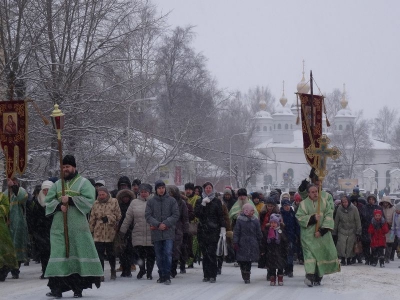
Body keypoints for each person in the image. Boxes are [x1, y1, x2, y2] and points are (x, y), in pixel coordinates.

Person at [44, 155, 102, 298]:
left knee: (77, 257)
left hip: (78, 228)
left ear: (74, 167)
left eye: (68, 167)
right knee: (58, 256)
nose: (65, 169)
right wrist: (58, 206)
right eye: (63, 167)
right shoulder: (58, 184)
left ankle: (77, 288)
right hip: (59, 228)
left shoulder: (83, 183)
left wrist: (70, 200)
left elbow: (90, 200)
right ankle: (57, 288)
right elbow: (47, 201)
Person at [296, 184, 340, 287]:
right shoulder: (303, 204)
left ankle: (318, 276)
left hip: (321, 236)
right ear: (308, 193)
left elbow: (329, 216)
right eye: (313, 192)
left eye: (316, 191)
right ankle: (310, 276)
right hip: (308, 237)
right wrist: (312, 219)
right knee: (310, 256)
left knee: (321, 255)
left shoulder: (324, 202)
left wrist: (322, 230)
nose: (315, 193)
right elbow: (299, 218)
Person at [145, 180, 179, 285]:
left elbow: (175, 214)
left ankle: (167, 275)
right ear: (156, 189)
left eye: (163, 188)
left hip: (168, 232)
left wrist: (166, 223)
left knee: (168, 253)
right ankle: (161, 275)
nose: (161, 190)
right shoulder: (151, 202)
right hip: (156, 233)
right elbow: (148, 215)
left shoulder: (172, 200)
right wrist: (157, 224)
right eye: (159, 188)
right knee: (159, 255)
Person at [120, 183, 155, 280]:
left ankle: (149, 272)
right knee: (139, 254)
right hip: (138, 232)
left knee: (151, 255)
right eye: (142, 192)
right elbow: (128, 218)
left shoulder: (154, 201)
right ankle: (142, 269)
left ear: (149, 192)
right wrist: (123, 230)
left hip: (151, 232)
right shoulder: (134, 202)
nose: (143, 194)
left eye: (146, 192)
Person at [194, 182, 226, 283]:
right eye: (206, 188)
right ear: (204, 189)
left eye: (210, 188)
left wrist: (223, 227)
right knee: (205, 254)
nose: (208, 189)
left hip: (213, 230)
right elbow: (197, 214)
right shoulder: (199, 201)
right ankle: (206, 275)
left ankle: (213, 275)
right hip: (202, 230)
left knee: (211, 253)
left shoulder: (216, 201)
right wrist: (203, 204)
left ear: (212, 189)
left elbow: (221, 215)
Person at [89, 186, 121, 281]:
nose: (101, 196)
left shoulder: (114, 201)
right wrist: (90, 230)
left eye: (103, 194)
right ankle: (100, 273)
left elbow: (118, 215)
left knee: (111, 253)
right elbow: (92, 218)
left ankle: (113, 269)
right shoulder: (95, 203)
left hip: (110, 231)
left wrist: (109, 218)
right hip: (98, 232)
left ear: (107, 194)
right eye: (100, 194)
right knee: (99, 254)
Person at [233, 203, 262, 284]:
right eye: (251, 211)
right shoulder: (240, 220)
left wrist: (260, 240)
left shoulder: (255, 220)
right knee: (242, 260)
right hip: (242, 243)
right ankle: (243, 271)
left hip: (252, 243)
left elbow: (258, 232)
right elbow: (237, 232)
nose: (253, 212)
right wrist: (235, 242)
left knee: (249, 260)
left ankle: (247, 275)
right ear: (246, 211)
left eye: (253, 211)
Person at [6, 177, 28, 279]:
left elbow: (22, 198)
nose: (11, 184)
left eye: (13, 182)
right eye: (9, 182)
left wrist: (14, 186)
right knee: (8, 247)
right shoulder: (5, 193)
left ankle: (16, 269)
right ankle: (6, 269)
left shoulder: (21, 191)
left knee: (17, 246)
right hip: (7, 224)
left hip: (18, 223)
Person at [32, 180, 54, 279]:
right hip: (40, 230)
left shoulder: (55, 200)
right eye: (44, 190)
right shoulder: (38, 201)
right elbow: (33, 215)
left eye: (48, 190)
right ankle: (45, 270)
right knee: (43, 252)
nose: (45, 192)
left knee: (51, 251)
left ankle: (52, 271)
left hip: (52, 228)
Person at [167, 185, 189, 279]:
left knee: (176, 250)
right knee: (167, 250)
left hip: (178, 229)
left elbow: (185, 218)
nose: (170, 195)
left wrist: (185, 231)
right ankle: (167, 268)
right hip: (166, 228)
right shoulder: (164, 202)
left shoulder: (181, 203)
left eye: (171, 193)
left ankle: (173, 268)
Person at [333, 195, 361, 266]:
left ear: (348, 202)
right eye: (343, 202)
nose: (344, 203)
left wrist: (358, 231)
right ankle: (342, 259)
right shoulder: (339, 209)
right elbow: (337, 220)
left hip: (352, 230)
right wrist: (334, 231)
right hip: (342, 229)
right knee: (341, 245)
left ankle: (348, 259)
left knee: (350, 245)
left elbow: (357, 220)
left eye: (346, 202)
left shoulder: (354, 209)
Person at [262, 213, 288, 286]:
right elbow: (264, 241)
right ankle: (272, 279)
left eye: (275, 223)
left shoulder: (281, 231)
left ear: (278, 223)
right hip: (271, 252)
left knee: (280, 266)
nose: (273, 224)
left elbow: (285, 241)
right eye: (272, 223)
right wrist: (263, 250)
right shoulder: (267, 231)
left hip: (280, 252)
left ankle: (280, 278)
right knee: (271, 267)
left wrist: (285, 250)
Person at [116, 187, 135, 277]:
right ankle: (124, 268)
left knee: (129, 251)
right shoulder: (118, 206)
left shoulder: (132, 206)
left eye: (127, 197)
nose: (125, 199)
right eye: (124, 197)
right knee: (121, 251)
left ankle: (128, 269)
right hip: (121, 231)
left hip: (131, 230)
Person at [0, 190, 18, 281]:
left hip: (1, 227)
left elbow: (6, 207)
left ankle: (3, 270)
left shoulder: (2, 196)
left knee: (4, 248)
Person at [360, 195, 382, 265]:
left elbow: (382, 218)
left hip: (375, 229)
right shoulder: (364, 207)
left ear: (375, 200)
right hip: (366, 229)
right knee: (366, 245)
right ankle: (367, 259)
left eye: (372, 199)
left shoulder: (378, 208)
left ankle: (373, 259)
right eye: (370, 199)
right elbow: (361, 218)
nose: (371, 201)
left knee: (374, 245)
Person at [280, 199, 299, 277]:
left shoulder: (293, 214)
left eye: (288, 205)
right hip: (283, 236)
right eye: (285, 206)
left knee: (290, 254)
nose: (287, 207)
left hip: (291, 236)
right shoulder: (280, 214)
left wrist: (297, 234)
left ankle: (290, 269)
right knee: (283, 253)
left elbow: (296, 225)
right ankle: (285, 268)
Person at [184, 182, 200, 269]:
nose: (188, 191)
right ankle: (185, 260)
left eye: (190, 189)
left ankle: (191, 261)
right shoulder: (184, 198)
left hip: (194, 224)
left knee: (193, 243)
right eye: (187, 189)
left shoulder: (197, 198)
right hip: (185, 224)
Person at [379, 196, 396, 263]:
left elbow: (395, 218)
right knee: (382, 243)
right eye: (384, 203)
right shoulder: (381, 208)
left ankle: (387, 257)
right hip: (383, 228)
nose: (385, 204)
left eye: (386, 203)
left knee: (390, 243)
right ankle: (382, 256)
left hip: (391, 229)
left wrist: (391, 224)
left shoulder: (393, 209)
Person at [389, 203, 400, 267]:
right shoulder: (395, 214)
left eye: (398, 210)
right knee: (393, 245)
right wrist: (392, 234)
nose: (396, 211)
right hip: (395, 233)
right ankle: (391, 256)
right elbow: (393, 224)